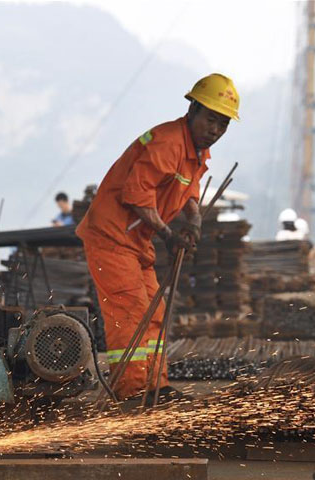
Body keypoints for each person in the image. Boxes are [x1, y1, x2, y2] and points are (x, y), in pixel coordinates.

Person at [75, 73, 239, 402]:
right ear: (192, 109)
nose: (215, 130)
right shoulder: (168, 142)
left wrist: (194, 225)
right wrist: (168, 235)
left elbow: (189, 195)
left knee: (155, 312)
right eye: (211, 120)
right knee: (131, 311)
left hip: (135, 242)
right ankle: (132, 391)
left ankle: (155, 386)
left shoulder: (196, 153)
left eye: (223, 125)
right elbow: (136, 194)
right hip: (110, 236)